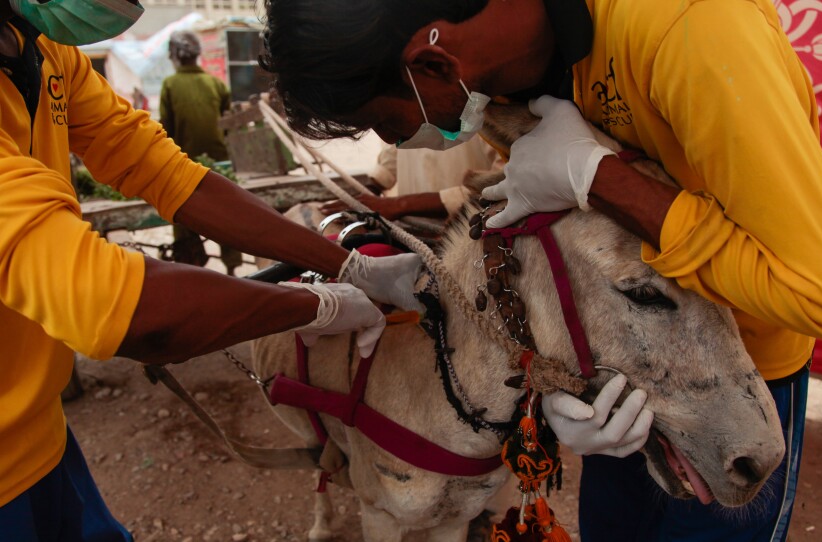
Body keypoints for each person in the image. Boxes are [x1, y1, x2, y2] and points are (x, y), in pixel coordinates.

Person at [259, 0, 822, 540]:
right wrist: (548, 379)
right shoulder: (504, 91)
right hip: (610, 380)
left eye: (391, 123)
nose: (413, 139)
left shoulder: (692, 29)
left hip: (736, 374)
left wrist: (598, 175)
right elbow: (550, 253)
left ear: (434, 64)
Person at [0, 1, 422, 540]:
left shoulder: (46, 52)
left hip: (41, 437)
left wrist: (347, 264)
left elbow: (164, 169)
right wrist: (319, 303)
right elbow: (128, 311)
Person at [159, 29, 239, 272]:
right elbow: (227, 126)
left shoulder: (170, 85)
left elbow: (166, 131)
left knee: (181, 213)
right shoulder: (216, 83)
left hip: (184, 166)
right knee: (227, 217)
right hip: (221, 165)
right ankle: (233, 266)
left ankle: (191, 266)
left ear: (174, 55)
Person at [320, 137, 501, 221]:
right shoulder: (407, 94)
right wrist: (369, 191)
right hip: (413, 229)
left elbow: (500, 183)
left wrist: (399, 205)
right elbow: (395, 148)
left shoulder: (482, 105)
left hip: (466, 235)